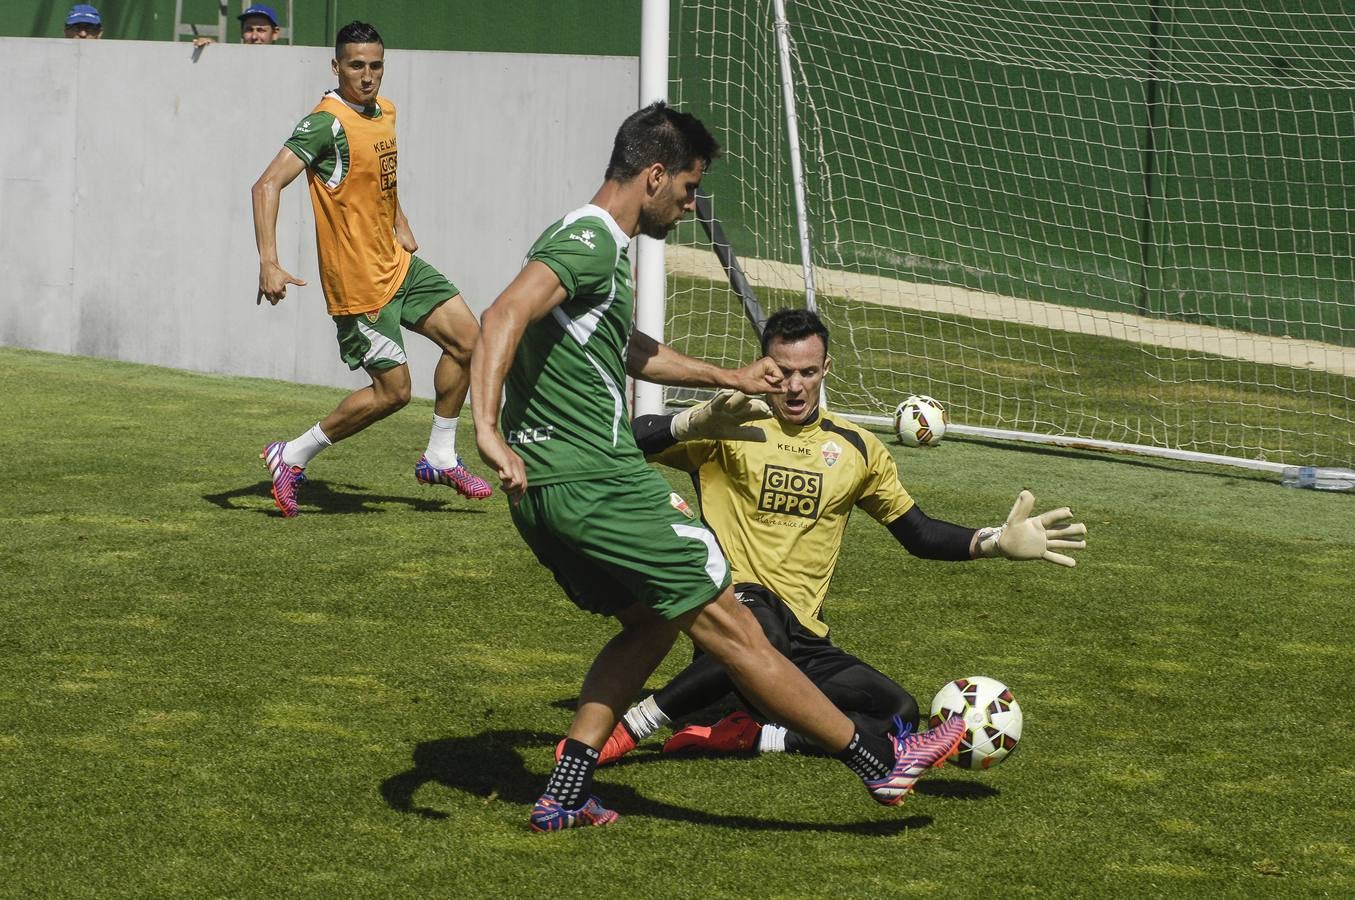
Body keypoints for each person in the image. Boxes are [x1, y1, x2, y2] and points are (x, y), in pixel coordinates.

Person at [470, 101, 969, 833]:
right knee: (736, 630)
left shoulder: (588, 250)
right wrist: (484, 428)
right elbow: (502, 315)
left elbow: (626, 348)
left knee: (646, 625)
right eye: (689, 185)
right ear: (652, 174)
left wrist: (728, 377)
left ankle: (565, 791)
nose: (690, 202)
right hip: (598, 480)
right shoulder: (590, 239)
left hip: (542, 493)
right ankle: (876, 761)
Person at [569, 307, 1087, 768]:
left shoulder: (857, 448)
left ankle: (756, 736)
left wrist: (994, 541)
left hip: (803, 638)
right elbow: (621, 443)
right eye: (782, 373)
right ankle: (634, 727)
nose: (794, 387)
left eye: (808, 374)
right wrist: (689, 422)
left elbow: (919, 533)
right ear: (762, 366)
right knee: (761, 624)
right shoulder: (728, 422)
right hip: (732, 611)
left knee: (899, 715)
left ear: (826, 371)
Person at [252, 21, 491, 517]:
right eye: (356, 65)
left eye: (375, 65)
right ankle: (291, 455)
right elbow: (266, 186)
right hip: (359, 284)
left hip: (398, 264)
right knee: (394, 393)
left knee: (471, 341)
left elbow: (380, 180)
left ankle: (440, 455)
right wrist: (269, 262)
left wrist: (400, 221)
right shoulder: (324, 123)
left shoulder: (385, 111)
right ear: (336, 66)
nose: (367, 75)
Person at [193, 4, 281, 48]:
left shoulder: (287, 65)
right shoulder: (231, 62)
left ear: (275, 34)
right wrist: (213, 50)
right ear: (241, 32)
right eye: (249, 30)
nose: (254, 36)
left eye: (261, 30)